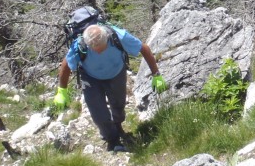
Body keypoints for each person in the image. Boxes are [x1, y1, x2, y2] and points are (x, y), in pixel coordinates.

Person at [52, 23, 168, 152]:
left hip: (116, 73)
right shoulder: (80, 45)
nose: (99, 51)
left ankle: (118, 125)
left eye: (102, 48)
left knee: (119, 104)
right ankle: (112, 139)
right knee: (98, 113)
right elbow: (66, 64)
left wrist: (156, 75)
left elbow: (143, 48)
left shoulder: (118, 36)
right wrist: (62, 91)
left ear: (106, 38)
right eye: (95, 49)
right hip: (90, 78)